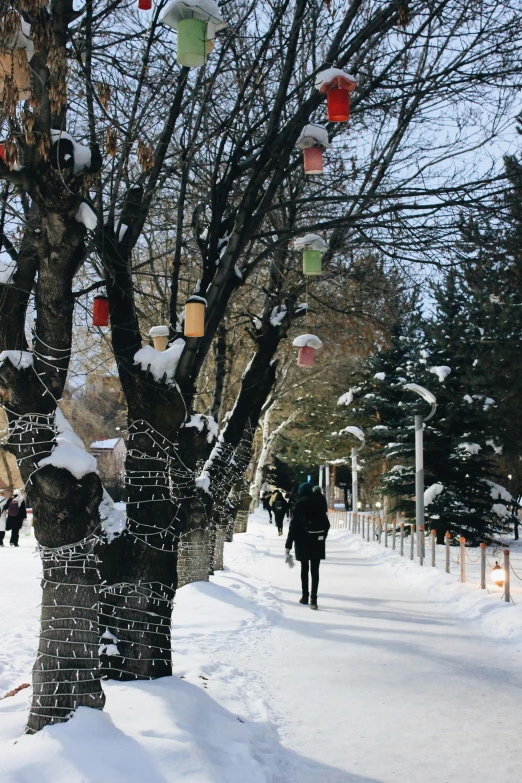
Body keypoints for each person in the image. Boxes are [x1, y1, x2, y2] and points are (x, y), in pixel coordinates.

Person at [285, 482, 330, 610]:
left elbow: (293, 526)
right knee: (315, 570)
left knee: (304, 568)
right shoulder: (319, 503)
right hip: (317, 540)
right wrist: (322, 537)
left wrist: (288, 545)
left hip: (302, 540)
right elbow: (326, 524)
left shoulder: (299, 503)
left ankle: (305, 596)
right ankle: (314, 598)